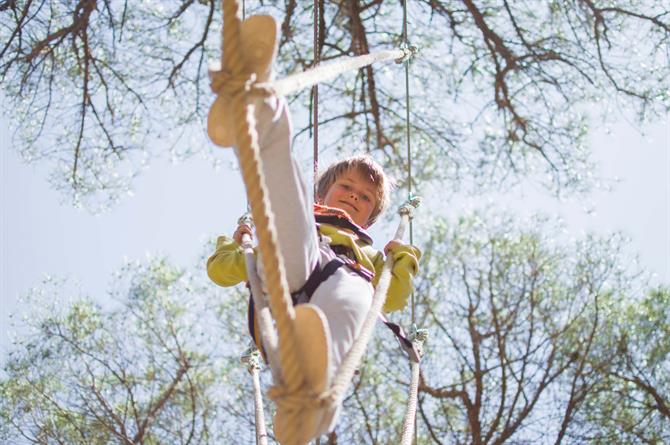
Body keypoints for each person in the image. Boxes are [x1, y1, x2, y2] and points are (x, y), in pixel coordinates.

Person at [206, 15, 420, 444]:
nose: (355, 196)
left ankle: (310, 397)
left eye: (364, 198)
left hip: (343, 280)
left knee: (356, 299)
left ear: (370, 218)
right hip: (293, 260)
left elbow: (390, 299)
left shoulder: (369, 256)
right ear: (329, 189)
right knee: (286, 200)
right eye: (347, 186)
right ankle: (260, 108)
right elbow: (221, 272)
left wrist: (402, 263)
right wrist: (241, 247)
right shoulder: (312, 212)